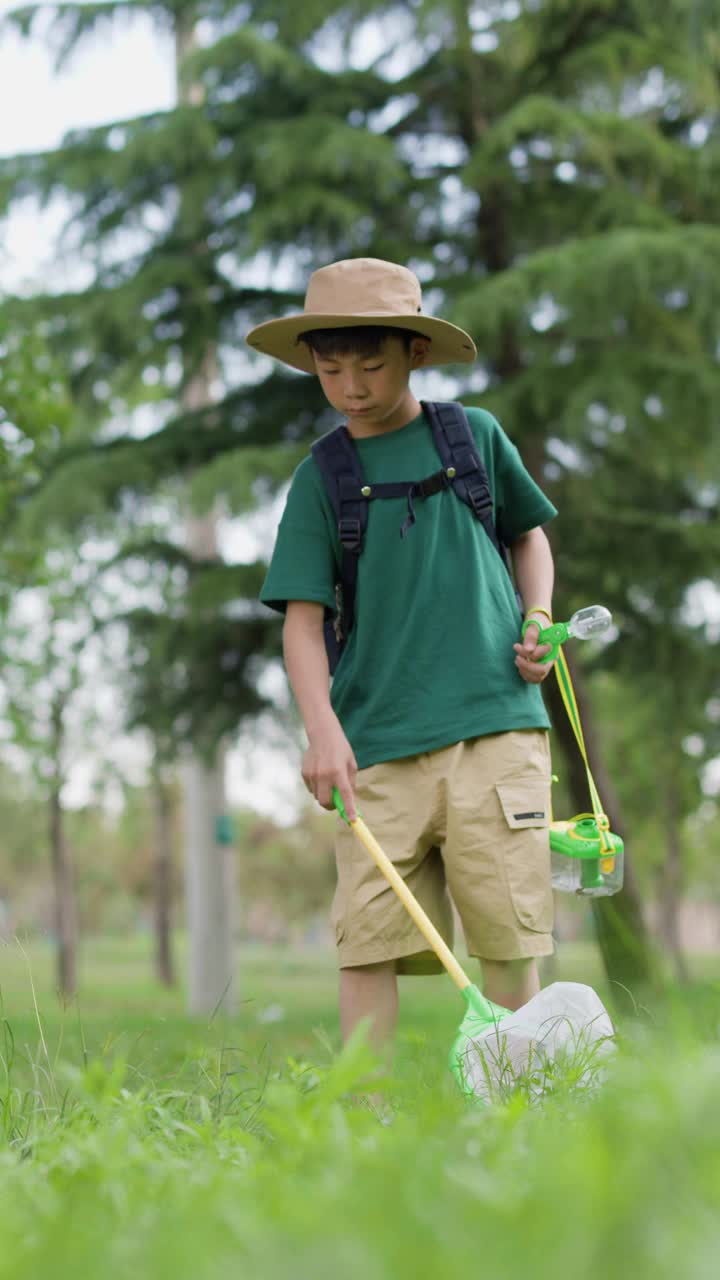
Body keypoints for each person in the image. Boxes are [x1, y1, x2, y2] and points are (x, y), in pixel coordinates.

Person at [248, 257, 557, 1051]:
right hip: (375, 747)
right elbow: (301, 622)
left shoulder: (473, 437)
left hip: (494, 728)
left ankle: (519, 1118)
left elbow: (529, 535)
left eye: (371, 363)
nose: (350, 384)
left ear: (415, 352)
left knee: (510, 938)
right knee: (366, 945)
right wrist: (321, 730)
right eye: (330, 366)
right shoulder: (322, 477)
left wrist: (539, 619)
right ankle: (367, 1133)